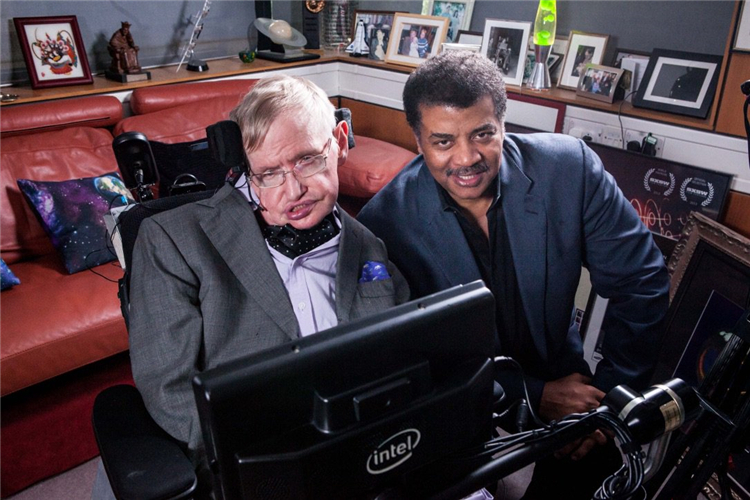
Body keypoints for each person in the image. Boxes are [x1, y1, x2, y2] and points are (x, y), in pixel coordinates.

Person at [357, 51, 669, 499]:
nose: (467, 158)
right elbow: (407, 359)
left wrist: (610, 402)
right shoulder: (382, 224)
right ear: (418, 139)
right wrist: (532, 393)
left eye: (482, 134)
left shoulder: (570, 169)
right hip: (462, 410)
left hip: (576, 395)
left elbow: (642, 283)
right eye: (443, 141)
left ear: (503, 123)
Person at [92, 75, 409, 499]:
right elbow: (172, 393)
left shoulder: (370, 243)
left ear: (339, 141)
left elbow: (404, 356)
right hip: (257, 468)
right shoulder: (173, 240)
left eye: (307, 160)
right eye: (268, 173)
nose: (293, 190)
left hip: (368, 452)